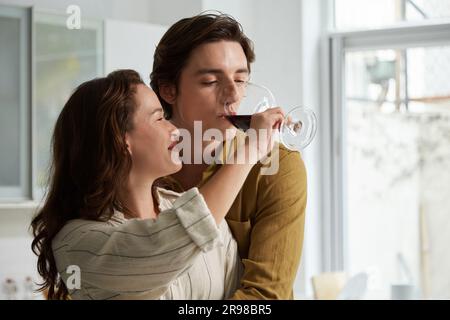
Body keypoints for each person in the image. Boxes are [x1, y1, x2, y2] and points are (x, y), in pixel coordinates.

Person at [30, 69, 284, 299]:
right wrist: (251, 150)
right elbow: (162, 244)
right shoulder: (78, 242)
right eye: (159, 118)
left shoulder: (182, 205)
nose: (174, 129)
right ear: (121, 140)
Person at [150, 12, 308, 299]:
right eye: (211, 81)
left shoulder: (276, 168)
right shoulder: (139, 167)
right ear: (168, 89)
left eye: (240, 79)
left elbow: (264, 298)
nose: (233, 95)